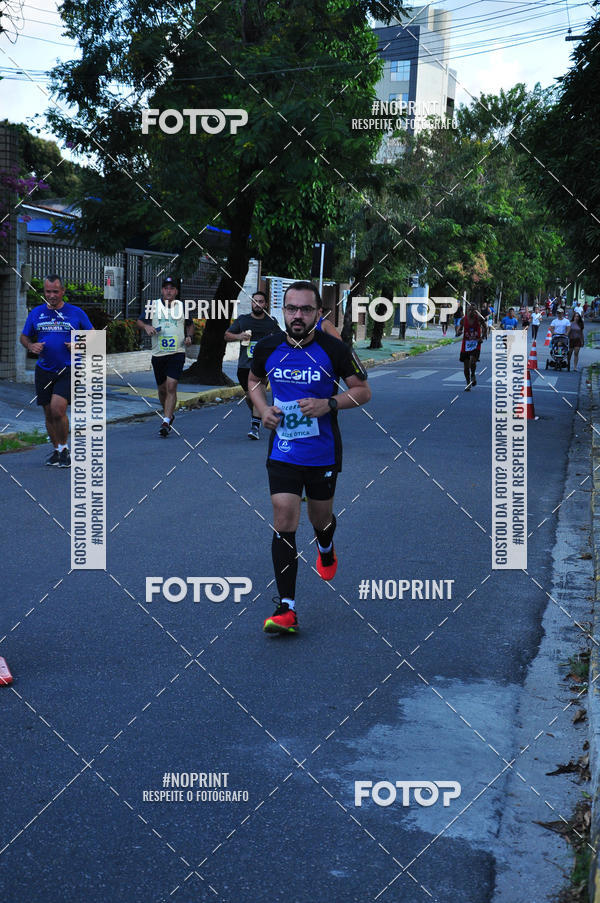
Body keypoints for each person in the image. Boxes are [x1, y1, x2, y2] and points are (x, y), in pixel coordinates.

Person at [248, 281, 371, 634]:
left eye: (305, 309)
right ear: (282, 311)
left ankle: (327, 546)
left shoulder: (335, 349)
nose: (297, 316)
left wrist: (328, 403)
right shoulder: (268, 346)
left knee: (321, 519)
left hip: (322, 452)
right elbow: (254, 382)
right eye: (291, 309)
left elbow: (363, 391)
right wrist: (262, 410)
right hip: (284, 449)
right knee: (284, 516)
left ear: (318, 313)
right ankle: (287, 609)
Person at [20, 274, 93, 467]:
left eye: (55, 291)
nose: (51, 295)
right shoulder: (36, 313)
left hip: (68, 369)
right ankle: (58, 450)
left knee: (57, 409)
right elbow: (24, 337)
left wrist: (79, 343)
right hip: (44, 370)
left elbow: (94, 338)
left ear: (63, 292)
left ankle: (65, 449)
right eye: (47, 291)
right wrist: (30, 346)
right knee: (48, 413)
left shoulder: (76, 313)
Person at [136, 276, 194, 437]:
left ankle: (166, 420)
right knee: (162, 390)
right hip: (158, 353)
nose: (169, 291)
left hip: (177, 352)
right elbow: (139, 322)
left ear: (176, 291)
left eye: (172, 288)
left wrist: (189, 337)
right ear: (162, 290)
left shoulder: (183, 307)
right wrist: (147, 327)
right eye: (166, 288)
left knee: (171, 386)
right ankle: (168, 414)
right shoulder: (153, 305)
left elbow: (190, 325)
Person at [224, 291, 283, 440]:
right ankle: (260, 412)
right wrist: (239, 336)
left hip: (262, 366)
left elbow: (281, 339)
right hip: (244, 365)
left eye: (261, 301)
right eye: (255, 301)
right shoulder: (243, 320)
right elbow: (227, 335)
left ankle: (254, 427)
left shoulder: (271, 322)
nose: (257, 304)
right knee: (251, 397)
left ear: (266, 304)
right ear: (251, 303)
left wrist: (272, 341)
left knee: (258, 392)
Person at [457, 304, 483, 391]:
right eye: (470, 310)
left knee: (472, 361)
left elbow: (485, 326)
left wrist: (482, 337)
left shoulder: (478, 318)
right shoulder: (464, 320)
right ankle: (468, 383)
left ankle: (473, 374)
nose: (471, 312)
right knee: (465, 366)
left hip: (476, 343)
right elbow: (460, 329)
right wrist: (459, 332)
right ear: (467, 310)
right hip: (466, 344)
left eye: (473, 310)